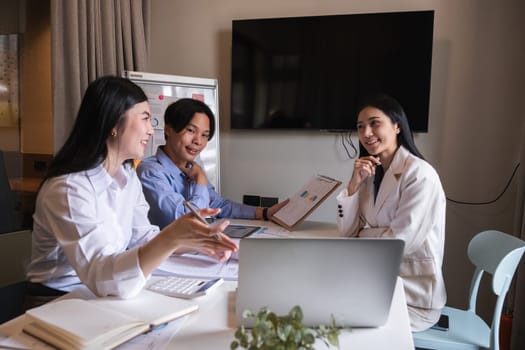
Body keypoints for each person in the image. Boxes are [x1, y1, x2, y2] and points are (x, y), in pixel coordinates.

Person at [25, 76, 238, 304]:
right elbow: (102, 277)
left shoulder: (127, 175)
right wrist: (171, 237)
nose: (150, 130)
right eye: (145, 119)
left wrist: (198, 243)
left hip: (102, 293)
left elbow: (142, 238)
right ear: (114, 124)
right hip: (60, 300)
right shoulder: (68, 188)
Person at [336, 93, 446, 332]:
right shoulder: (369, 172)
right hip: (378, 283)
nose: (366, 133)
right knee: (322, 298)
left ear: (397, 126)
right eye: (360, 126)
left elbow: (398, 245)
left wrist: (364, 237)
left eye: (375, 123)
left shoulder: (420, 175)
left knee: (335, 317)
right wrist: (353, 186)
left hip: (412, 297)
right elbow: (347, 233)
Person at [136, 98, 287, 229]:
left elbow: (218, 205)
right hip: (169, 257)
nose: (198, 141)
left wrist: (265, 213)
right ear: (168, 129)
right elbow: (189, 219)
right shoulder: (150, 171)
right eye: (190, 130)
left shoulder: (191, 167)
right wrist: (201, 181)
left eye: (204, 135)